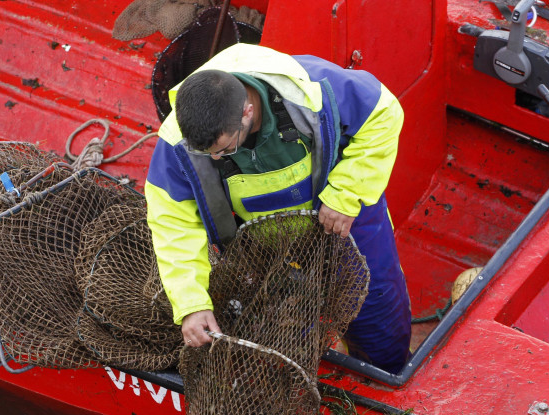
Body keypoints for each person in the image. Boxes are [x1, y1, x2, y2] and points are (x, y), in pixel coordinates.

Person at [144, 44, 411, 373]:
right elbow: (173, 226)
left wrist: (345, 194)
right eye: (210, 153)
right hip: (270, 250)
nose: (216, 159)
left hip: (345, 218)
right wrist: (191, 304)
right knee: (288, 336)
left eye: (225, 149)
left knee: (377, 313)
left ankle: (386, 375)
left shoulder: (311, 86)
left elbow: (384, 112)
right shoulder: (179, 141)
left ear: (247, 111)